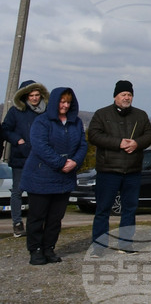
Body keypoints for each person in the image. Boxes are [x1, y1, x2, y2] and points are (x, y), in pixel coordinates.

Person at [87, 80, 151, 251]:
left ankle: (125, 244)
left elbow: (150, 134)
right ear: (115, 96)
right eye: (123, 94)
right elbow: (94, 135)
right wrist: (118, 143)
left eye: (129, 95)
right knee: (103, 210)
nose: (127, 98)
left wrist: (136, 143)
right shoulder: (101, 114)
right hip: (108, 170)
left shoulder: (141, 115)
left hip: (132, 171)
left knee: (130, 210)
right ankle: (99, 246)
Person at [21, 87, 87, 265]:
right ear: (55, 102)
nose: (65, 105)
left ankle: (49, 248)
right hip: (40, 177)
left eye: (68, 102)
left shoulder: (76, 123)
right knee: (37, 216)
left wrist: (75, 162)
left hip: (64, 179)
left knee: (55, 218)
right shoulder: (42, 122)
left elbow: (82, 145)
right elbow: (40, 146)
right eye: (62, 102)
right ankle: (35, 250)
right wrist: (61, 163)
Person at [2, 80, 49, 238]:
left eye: (37, 95)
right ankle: (17, 223)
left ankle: (36, 223)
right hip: (20, 157)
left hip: (41, 158)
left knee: (39, 192)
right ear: (25, 96)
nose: (35, 98)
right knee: (17, 191)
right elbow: (5, 129)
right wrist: (18, 140)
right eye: (31, 95)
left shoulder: (46, 112)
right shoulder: (15, 111)